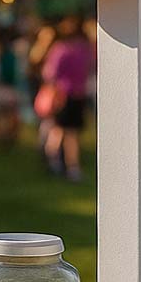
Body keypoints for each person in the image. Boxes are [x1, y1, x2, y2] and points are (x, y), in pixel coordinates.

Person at [39, 16, 95, 181]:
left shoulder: (60, 50)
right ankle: (72, 166)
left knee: (58, 129)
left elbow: (50, 73)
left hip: (62, 94)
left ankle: (54, 161)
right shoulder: (84, 50)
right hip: (77, 94)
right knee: (71, 133)